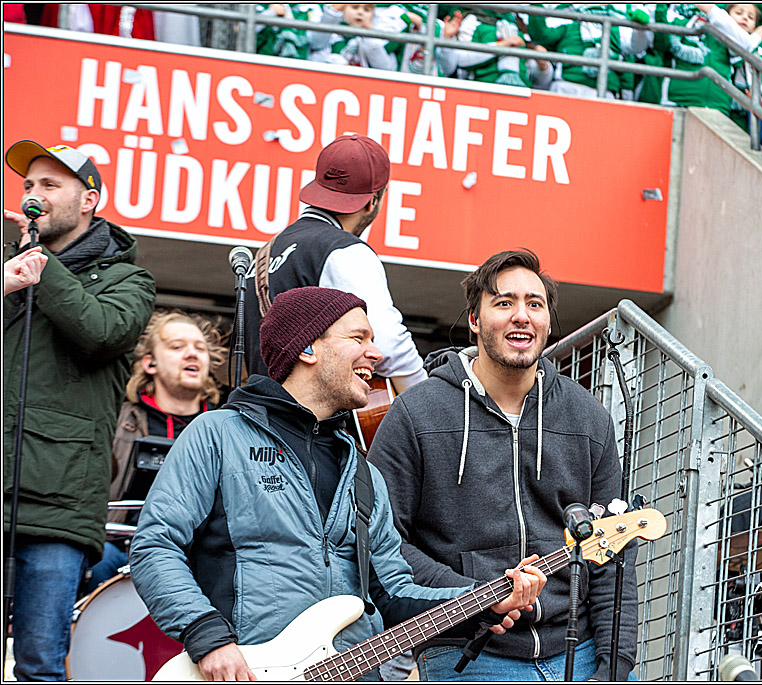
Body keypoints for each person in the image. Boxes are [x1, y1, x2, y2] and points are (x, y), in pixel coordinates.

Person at [130, 286, 546, 681]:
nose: (376, 353)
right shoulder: (218, 434)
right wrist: (208, 638)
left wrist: (482, 602)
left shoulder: (364, 473)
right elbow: (155, 545)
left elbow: (392, 593)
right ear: (307, 347)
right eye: (359, 337)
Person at [368, 250, 638, 681]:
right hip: (468, 650)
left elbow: (613, 557)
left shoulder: (587, 418)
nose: (521, 316)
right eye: (504, 302)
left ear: (548, 322)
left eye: (534, 304)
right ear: (474, 319)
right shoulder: (416, 414)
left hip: (579, 651)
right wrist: (475, 597)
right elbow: (382, 542)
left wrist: (614, 669)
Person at [3, 140, 156, 680]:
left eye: (50, 185)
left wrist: (42, 270)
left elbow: (101, 332)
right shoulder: (9, 268)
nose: (33, 197)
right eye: (28, 186)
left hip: (58, 502)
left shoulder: (128, 280)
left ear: (89, 199)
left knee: (40, 663)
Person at [243, 134, 427, 394]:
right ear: (374, 200)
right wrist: (425, 403)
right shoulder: (344, 251)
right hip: (309, 424)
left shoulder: (264, 255)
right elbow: (389, 345)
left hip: (262, 413)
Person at [86, 311, 227, 593]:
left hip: (199, 550)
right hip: (121, 545)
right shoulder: (118, 419)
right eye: (177, 347)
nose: (192, 354)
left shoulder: (225, 423)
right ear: (150, 363)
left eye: (200, 348)